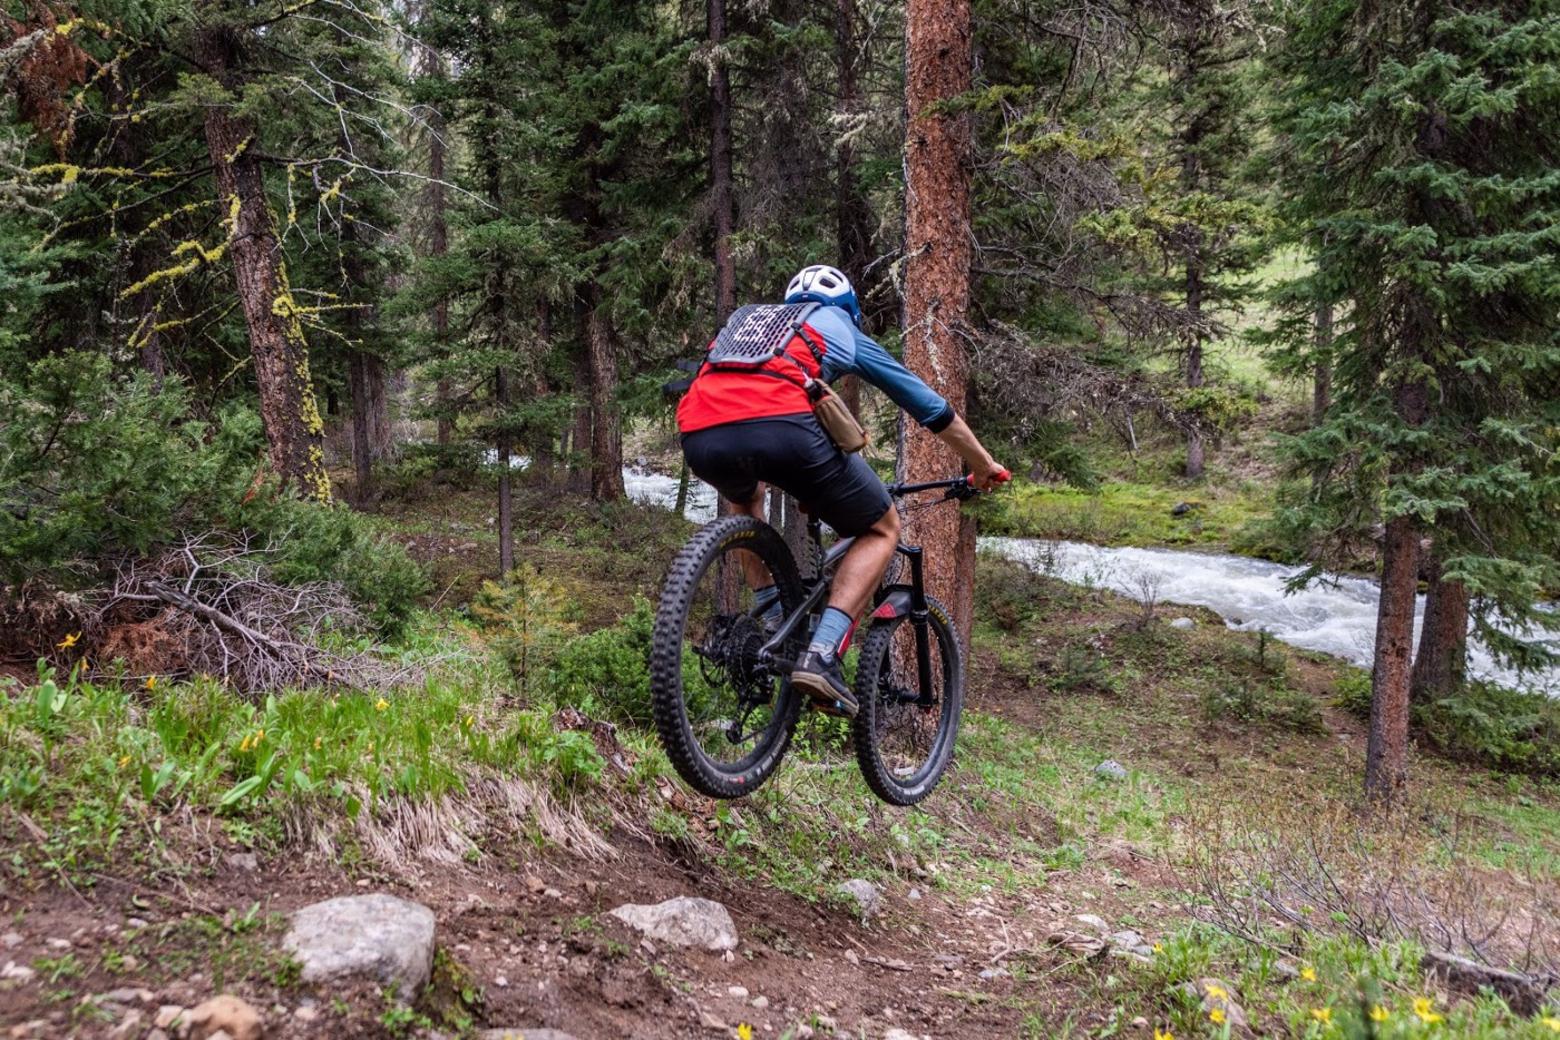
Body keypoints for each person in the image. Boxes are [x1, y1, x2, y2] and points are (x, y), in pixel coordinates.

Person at [676, 264, 1008, 717]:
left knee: (745, 497)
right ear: (847, 310)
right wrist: (982, 464)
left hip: (699, 431)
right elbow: (927, 405)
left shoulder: (751, 320)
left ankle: (774, 616)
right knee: (880, 527)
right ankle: (822, 654)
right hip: (784, 427)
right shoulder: (836, 326)